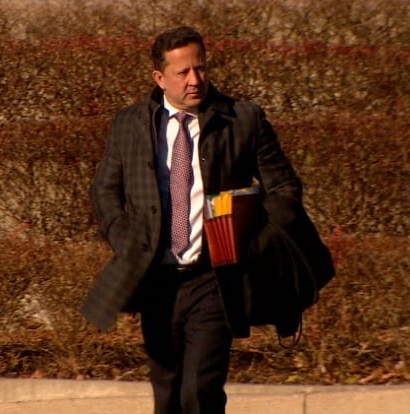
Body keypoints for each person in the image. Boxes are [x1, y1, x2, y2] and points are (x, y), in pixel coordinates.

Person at [81, 26, 333, 414]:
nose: (195, 80)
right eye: (182, 73)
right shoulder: (129, 125)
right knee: (167, 394)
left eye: (200, 69)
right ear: (159, 78)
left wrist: (247, 243)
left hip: (213, 278)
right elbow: (104, 191)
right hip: (156, 280)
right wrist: (125, 240)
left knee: (200, 391)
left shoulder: (243, 120)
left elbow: (284, 189)